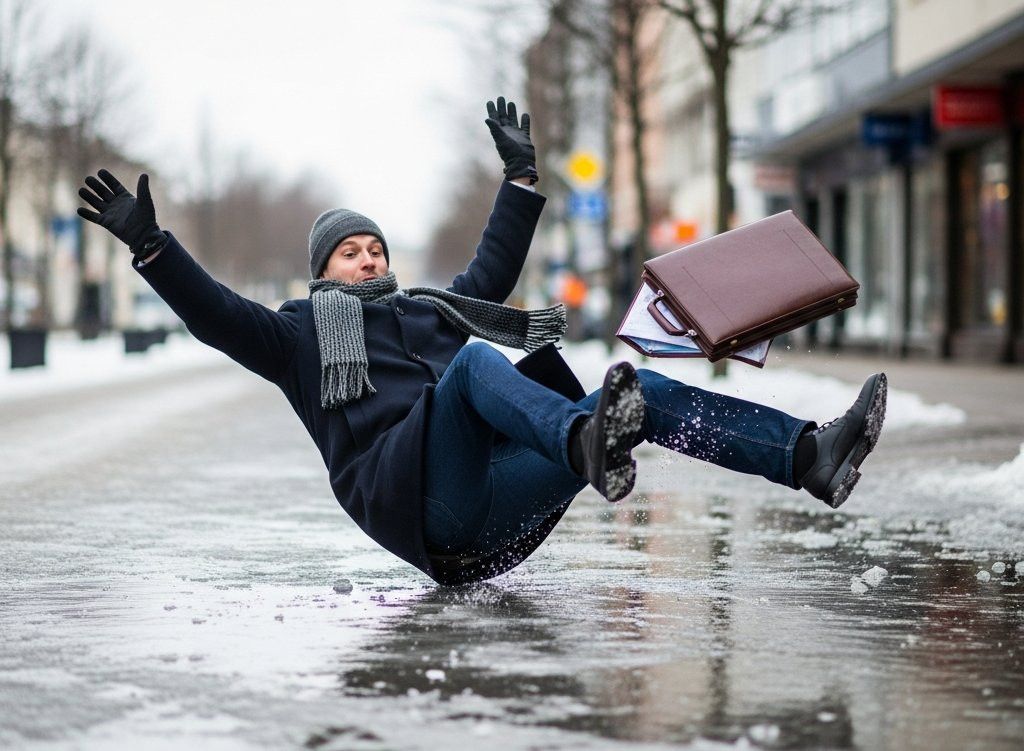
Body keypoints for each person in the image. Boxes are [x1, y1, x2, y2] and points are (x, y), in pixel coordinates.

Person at [77, 97, 887, 586]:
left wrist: (521, 180)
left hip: (499, 507)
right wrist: (153, 248)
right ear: (323, 267)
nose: (370, 258)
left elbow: (490, 270)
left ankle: (808, 457)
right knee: (473, 367)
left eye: (376, 247)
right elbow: (216, 314)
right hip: (429, 512)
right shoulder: (296, 337)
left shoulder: (431, 310)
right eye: (351, 251)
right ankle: (585, 440)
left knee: (645, 392)